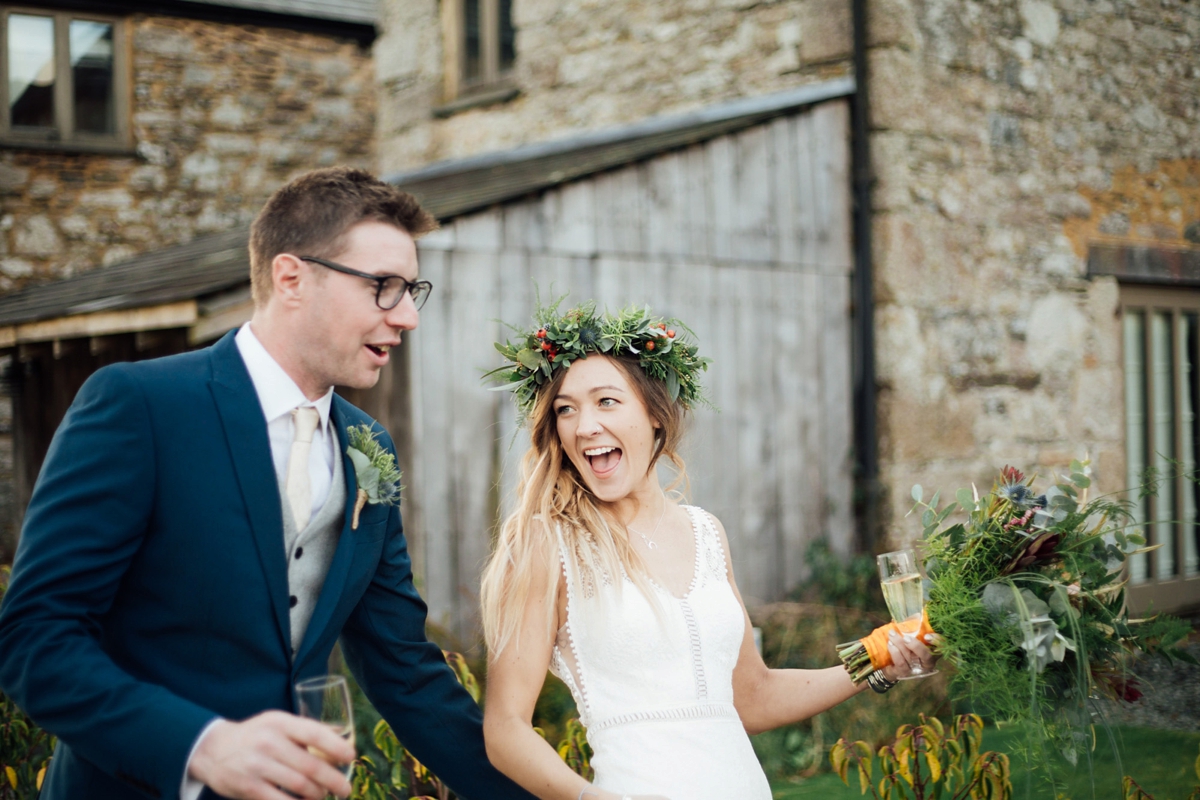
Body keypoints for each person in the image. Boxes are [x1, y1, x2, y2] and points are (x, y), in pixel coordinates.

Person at [0, 167, 535, 800]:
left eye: (411, 289)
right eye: (383, 288)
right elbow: (36, 635)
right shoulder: (140, 407)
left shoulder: (370, 448)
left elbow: (404, 670)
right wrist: (201, 745)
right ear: (291, 278)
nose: (408, 317)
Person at [479, 302, 937, 800]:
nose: (584, 425)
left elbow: (752, 697)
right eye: (566, 409)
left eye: (605, 401)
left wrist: (876, 663)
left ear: (656, 414)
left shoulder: (706, 533)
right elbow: (505, 729)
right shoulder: (549, 544)